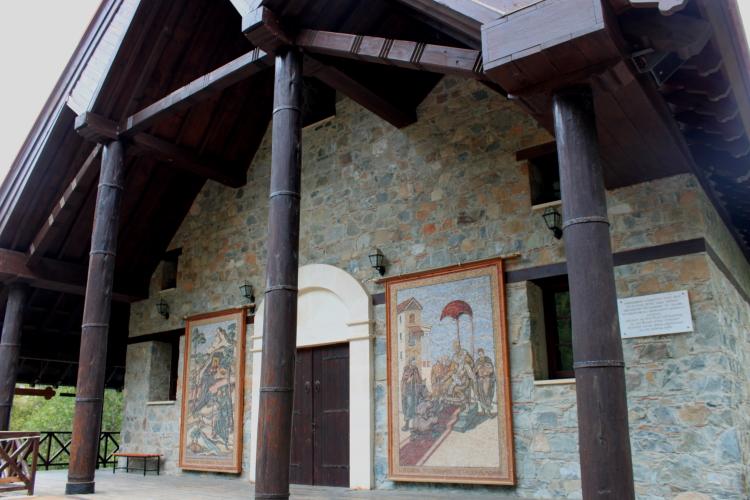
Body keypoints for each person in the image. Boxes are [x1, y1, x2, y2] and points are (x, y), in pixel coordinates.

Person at [401, 357, 424, 431]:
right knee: (409, 407)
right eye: (413, 362)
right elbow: (404, 380)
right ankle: (406, 425)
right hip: (408, 392)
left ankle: (414, 425)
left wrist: (418, 380)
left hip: (415, 392)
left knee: (415, 408)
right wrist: (408, 380)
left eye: (415, 362)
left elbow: (419, 380)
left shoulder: (416, 370)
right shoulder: (407, 369)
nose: (414, 363)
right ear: (410, 362)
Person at [474, 348, 496, 416]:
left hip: (487, 379)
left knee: (487, 395)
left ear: (483, 353)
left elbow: (491, 370)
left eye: (481, 354)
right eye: (479, 354)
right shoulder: (477, 361)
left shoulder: (488, 360)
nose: (481, 355)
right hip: (480, 380)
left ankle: (488, 411)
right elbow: (475, 371)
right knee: (481, 395)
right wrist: (478, 368)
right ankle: (483, 411)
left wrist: (486, 367)